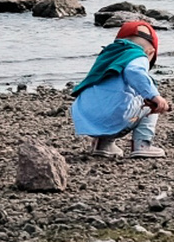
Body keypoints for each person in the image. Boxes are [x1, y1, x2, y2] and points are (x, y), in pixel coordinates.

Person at [71, 19, 167, 157]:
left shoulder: (108, 55)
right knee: (150, 105)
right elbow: (134, 72)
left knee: (111, 97)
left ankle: (103, 145)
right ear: (150, 53)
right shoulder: (138, 54)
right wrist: (154, 96)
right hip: (113, 116)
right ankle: (142, 145)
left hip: (85, 115)